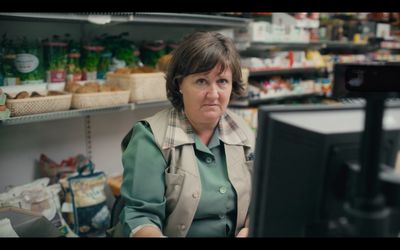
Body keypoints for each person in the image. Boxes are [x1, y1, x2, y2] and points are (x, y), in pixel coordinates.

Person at [117, 31, 255, 237]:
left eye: (222, 81)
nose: (213, 93)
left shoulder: (245, 132)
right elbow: (140, 217)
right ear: (180, 83)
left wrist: (250, 230)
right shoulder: (150, 137)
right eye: (201, 81)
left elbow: (261, 201)